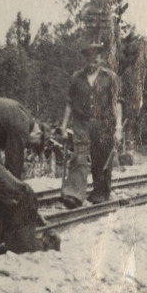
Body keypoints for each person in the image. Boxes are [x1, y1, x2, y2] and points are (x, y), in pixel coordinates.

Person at [59, 42, 122, 208]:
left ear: (101, 58)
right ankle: (73, 195)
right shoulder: (76, 78)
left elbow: (117, 104)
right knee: (80, 156)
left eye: (96, 57)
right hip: (82, 124)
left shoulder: (110, 78)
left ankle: (100, 194)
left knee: (101, 161)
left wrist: (119, 129)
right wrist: (64, 126)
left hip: (103, 125)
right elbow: (69, 103)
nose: (92, 60)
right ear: (85, 59)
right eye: (89, 57)